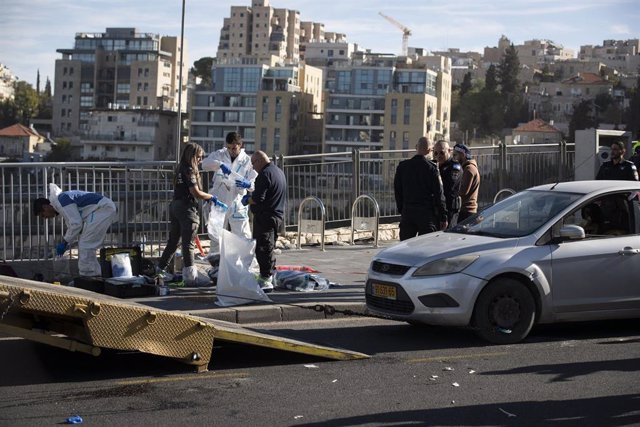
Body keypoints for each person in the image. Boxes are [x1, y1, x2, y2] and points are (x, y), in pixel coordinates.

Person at [157, 142, 221, 285]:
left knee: (173, 242)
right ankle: (191, 277)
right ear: (191, 156)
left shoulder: (180, 168)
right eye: (198, 157)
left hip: (175, 205)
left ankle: (160, 271)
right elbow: (195, 192)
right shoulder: (189, 170)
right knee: (188, 243)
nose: (200, 160)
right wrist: (211, 197)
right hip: (186, 208)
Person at [34, 184, 117, 277]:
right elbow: (74, 225)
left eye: (43, 215)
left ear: (45, 207)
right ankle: (95, 274)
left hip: (102, 209)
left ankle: (89, 276)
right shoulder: (61, 202)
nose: (45, 218)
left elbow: (76, 224)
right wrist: (66, 241)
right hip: (100, 209)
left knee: (86, 245)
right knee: (86, 245)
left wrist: (65, 242)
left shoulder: (61, 201)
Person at [201, 132, 257, 253]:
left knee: (243, 234)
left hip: (237, 203)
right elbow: (204, 165)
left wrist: (249, 184)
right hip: (219, 201)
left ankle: (246, 264)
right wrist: (219, 164)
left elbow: (254, 183)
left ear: (240, 145)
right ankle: (215, 265)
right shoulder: (220, 155)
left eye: (234, 148)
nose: (231, 150)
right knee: (216, 235)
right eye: (229, 147)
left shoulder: (247, 161)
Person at [241, 150, 286, 292]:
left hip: (265, 217)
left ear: (259, 161)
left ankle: (266, 279)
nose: (253, 168)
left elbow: (258, 198)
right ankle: (269, 275)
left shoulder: (264, 175)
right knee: (269, 247)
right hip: (276, 216)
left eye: (253, 164)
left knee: (263, 248)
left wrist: (248, 199)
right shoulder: (278, 171)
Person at [393, 137, 448, 241]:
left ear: (416, 148)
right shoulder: (432, 169)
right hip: (426, 214)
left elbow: (397, 191)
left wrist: (402, 209)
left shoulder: (403, 167)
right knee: (425, 248)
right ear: (429, 150)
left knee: (405, 246)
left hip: (408, 212)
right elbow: (439, 194)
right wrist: (443, 216)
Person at [433, 139, 462, 227]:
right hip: (438, 209)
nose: (438, 156)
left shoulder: (454, 167)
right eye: (436, 153)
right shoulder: (436, 166)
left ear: (449, 151)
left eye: (442, 153)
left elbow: (448, 189)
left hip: (449, 209)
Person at [452, 143, 481, 223]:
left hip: (466, 211)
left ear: (462, 155)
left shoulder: (469, 169)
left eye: (455, 155)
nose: (453, 158)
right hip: (466, 211)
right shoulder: (467, 168)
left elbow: (463, 191)